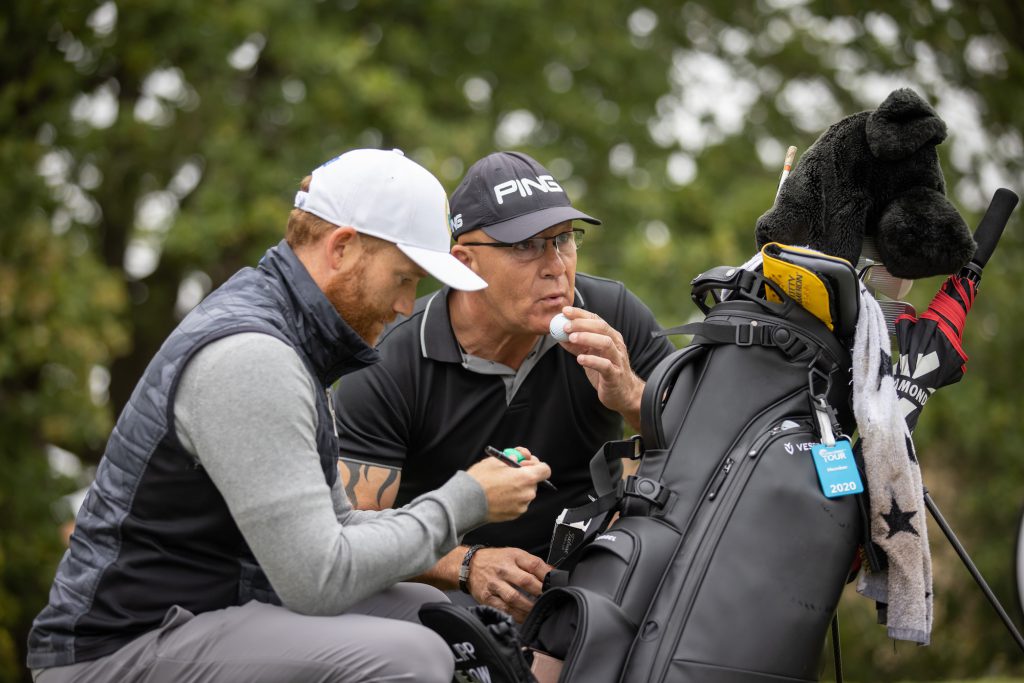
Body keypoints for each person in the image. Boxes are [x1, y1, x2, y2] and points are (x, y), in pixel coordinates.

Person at [26, 149, 552, 683]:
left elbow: (336, 528)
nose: (404, 306)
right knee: (411, 658)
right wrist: (466, 500)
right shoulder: (253, 355)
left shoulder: (293, 337)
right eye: (403, 279)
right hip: (120, 648)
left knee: (456, 624)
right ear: (343, 248)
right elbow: (318, 578)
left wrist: (462, 554)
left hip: (212, 612)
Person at [334, 151, 675, 622]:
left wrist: (632, 396)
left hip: (593, 576)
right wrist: (464, 565)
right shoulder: (389, 359)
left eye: (563, 240)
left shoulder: (610, 312)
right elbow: (354, 535)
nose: (556, 266)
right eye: (526, 246)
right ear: (465, 263)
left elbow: (711, 447)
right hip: (441, 587)